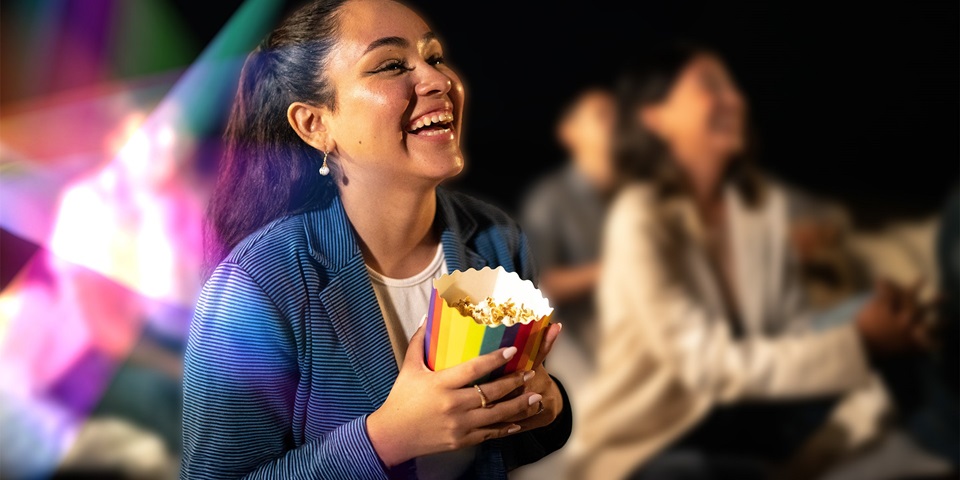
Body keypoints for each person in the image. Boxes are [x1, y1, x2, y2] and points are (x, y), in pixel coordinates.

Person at [180, 1, 571, 478]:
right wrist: (386, 438)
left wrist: (545, 409)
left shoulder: (496, 241)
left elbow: (493, 449)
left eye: (435, 57)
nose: (438, 80)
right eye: (391, 65)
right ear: (315, 124)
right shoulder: (259, 283)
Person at [567, 44, 931, 480]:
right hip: (659, 432)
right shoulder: (639, 217)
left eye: (733, 87)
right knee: (691, 472)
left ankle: (936, 443)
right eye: (710, 86)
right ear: (655, 117)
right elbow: (702, 364)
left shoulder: (759, 211)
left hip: (753, 416)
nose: (735, 99)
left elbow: (792, 327)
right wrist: (859, 342)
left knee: (901, 317)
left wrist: (877, 328)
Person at [522, 87, 616, 355]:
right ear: (569, 131)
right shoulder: (549, 198)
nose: (618, 123)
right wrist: (616, 270)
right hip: (577, 346)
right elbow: (539, 283)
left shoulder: (635, 192)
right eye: (602, 115)